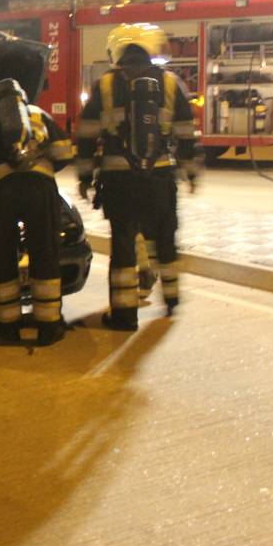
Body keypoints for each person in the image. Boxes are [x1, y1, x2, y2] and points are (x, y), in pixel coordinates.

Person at [75, 23, 198, 330]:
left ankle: (124, 315)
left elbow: (87, 135)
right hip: (160, 179)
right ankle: (171, 300)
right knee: (165, 239)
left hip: (119, 182)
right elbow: (186, 133)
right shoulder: (170, 84)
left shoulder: (104, 86)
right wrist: (191, 173)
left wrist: (85, 176)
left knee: (124, 247)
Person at [0, 78, 74, 346]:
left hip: (0, 196)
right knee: (45, 253)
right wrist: (42, 171)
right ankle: (49, 325)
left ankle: (7, 325)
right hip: (39, 192)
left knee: (2, 256)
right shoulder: (38, 115)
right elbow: (64, 154)